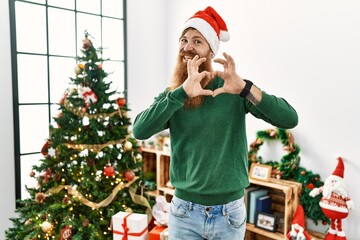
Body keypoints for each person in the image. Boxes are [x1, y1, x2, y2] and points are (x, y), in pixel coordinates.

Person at [133, 6, 298, 240]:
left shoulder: (231, 88)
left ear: (211, 51)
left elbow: (289, 119)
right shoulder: (174, 96)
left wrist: (245, 87)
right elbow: (140, 130)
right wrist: (181, 94)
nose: (187, 47)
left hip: (228, 214)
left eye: (197, 41)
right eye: (183, 40)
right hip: (184, 213)